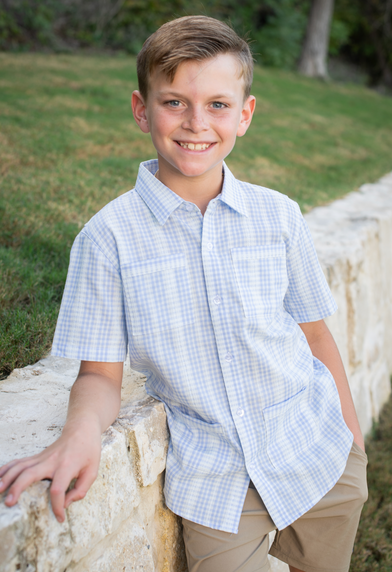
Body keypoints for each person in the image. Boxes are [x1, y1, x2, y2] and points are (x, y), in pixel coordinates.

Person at [0, 15, 367, 572]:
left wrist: (351, 441)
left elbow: (314, 334)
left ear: (244, 114)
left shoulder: (279, 217)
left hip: (314, 448)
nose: (197, 122)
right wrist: (76, 436)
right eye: (175, 102)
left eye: (219, 104)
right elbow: (100, 375)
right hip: (217, 481)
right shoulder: (108, 239)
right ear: (141, 108)